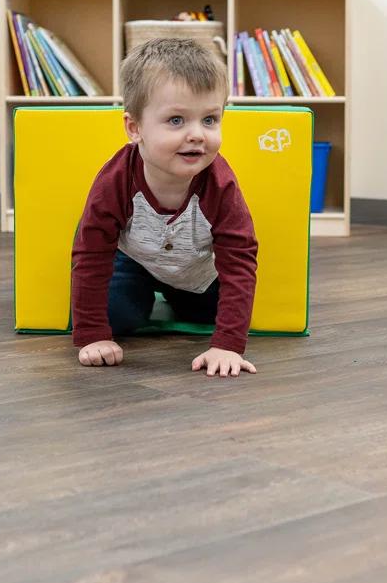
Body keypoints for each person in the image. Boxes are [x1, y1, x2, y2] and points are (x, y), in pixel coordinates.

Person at [70, 38, 259, 377]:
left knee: (215, 314)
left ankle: (178, 297)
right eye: (176, 120)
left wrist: (227, 344)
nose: (197, 135)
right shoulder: (115, 181)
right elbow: (91, 253)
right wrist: (92, 334)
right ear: (135, 128)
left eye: (210, 120)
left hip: (197, 270)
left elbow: (239, 258)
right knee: (119, 316)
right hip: (134, 260)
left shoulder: (221, 186)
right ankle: (138, 298)